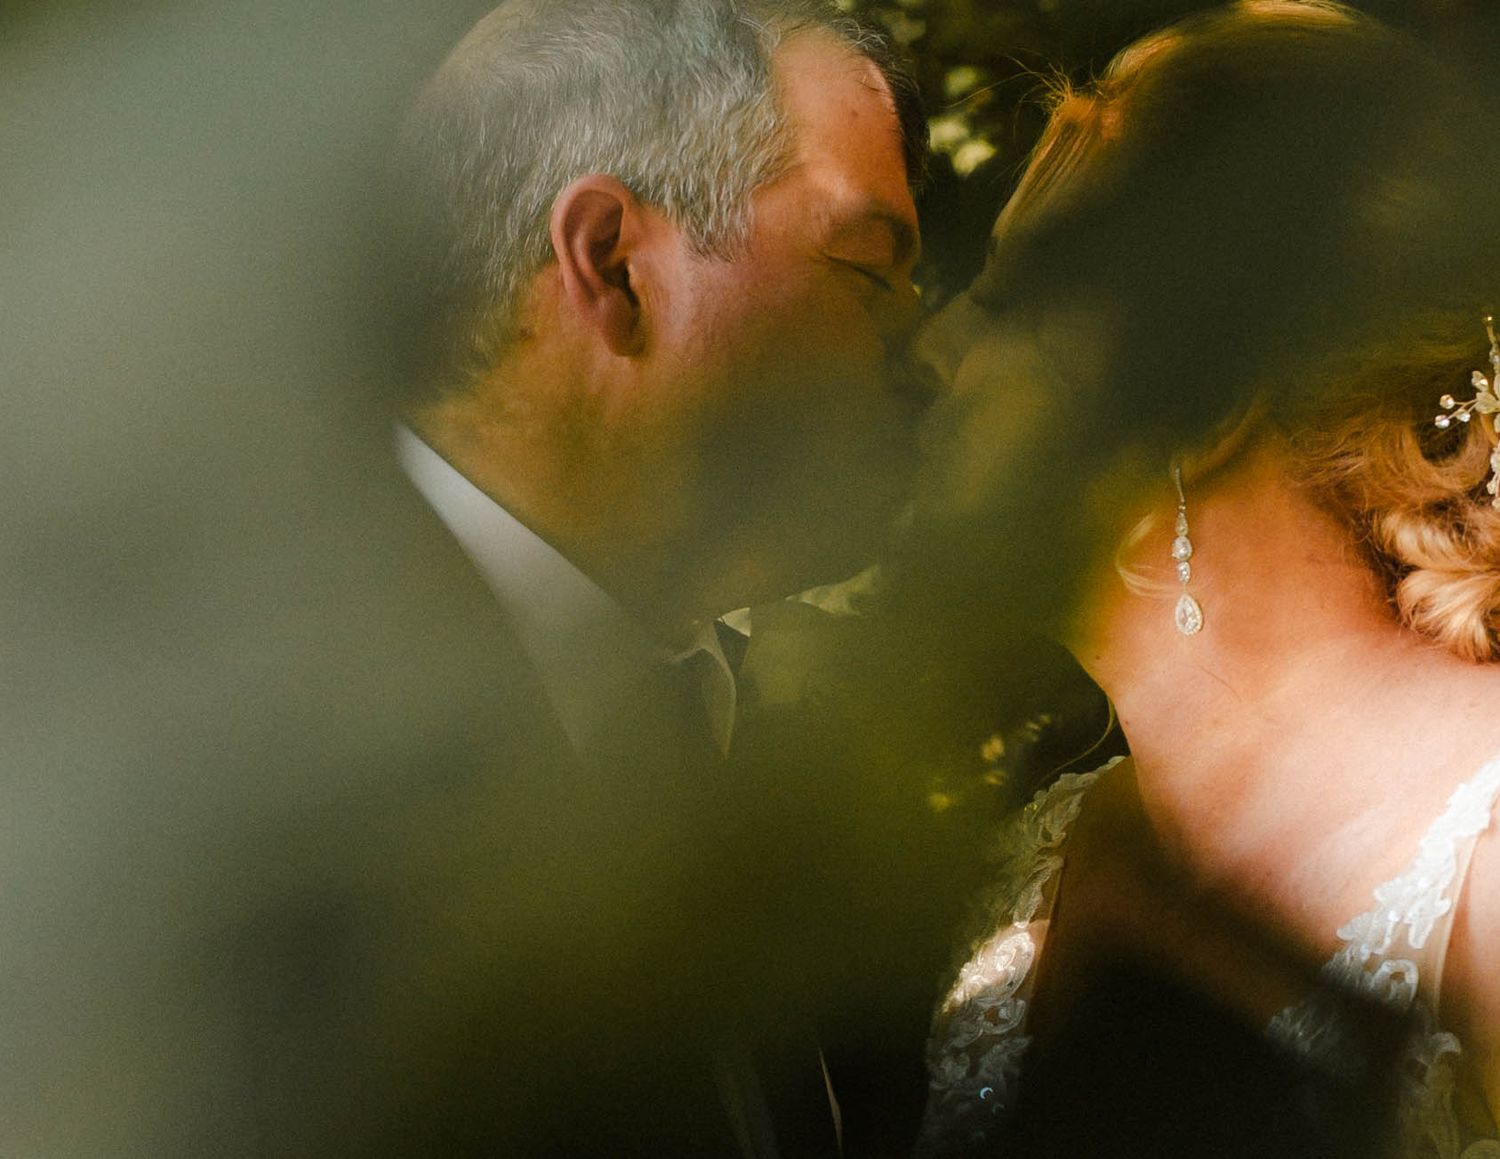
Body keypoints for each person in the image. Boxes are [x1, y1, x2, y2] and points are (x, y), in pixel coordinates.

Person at [900, 1, 1500, 1154]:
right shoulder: (1041, 859)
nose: (933, 352)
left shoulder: (1486, 851)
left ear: (1201, 405)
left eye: (1010, 305)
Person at [380, 1, 932, 1152]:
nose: (920, 351)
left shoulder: (714, 722)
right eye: (868, 271)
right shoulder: (262, 756)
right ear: (612, 264)